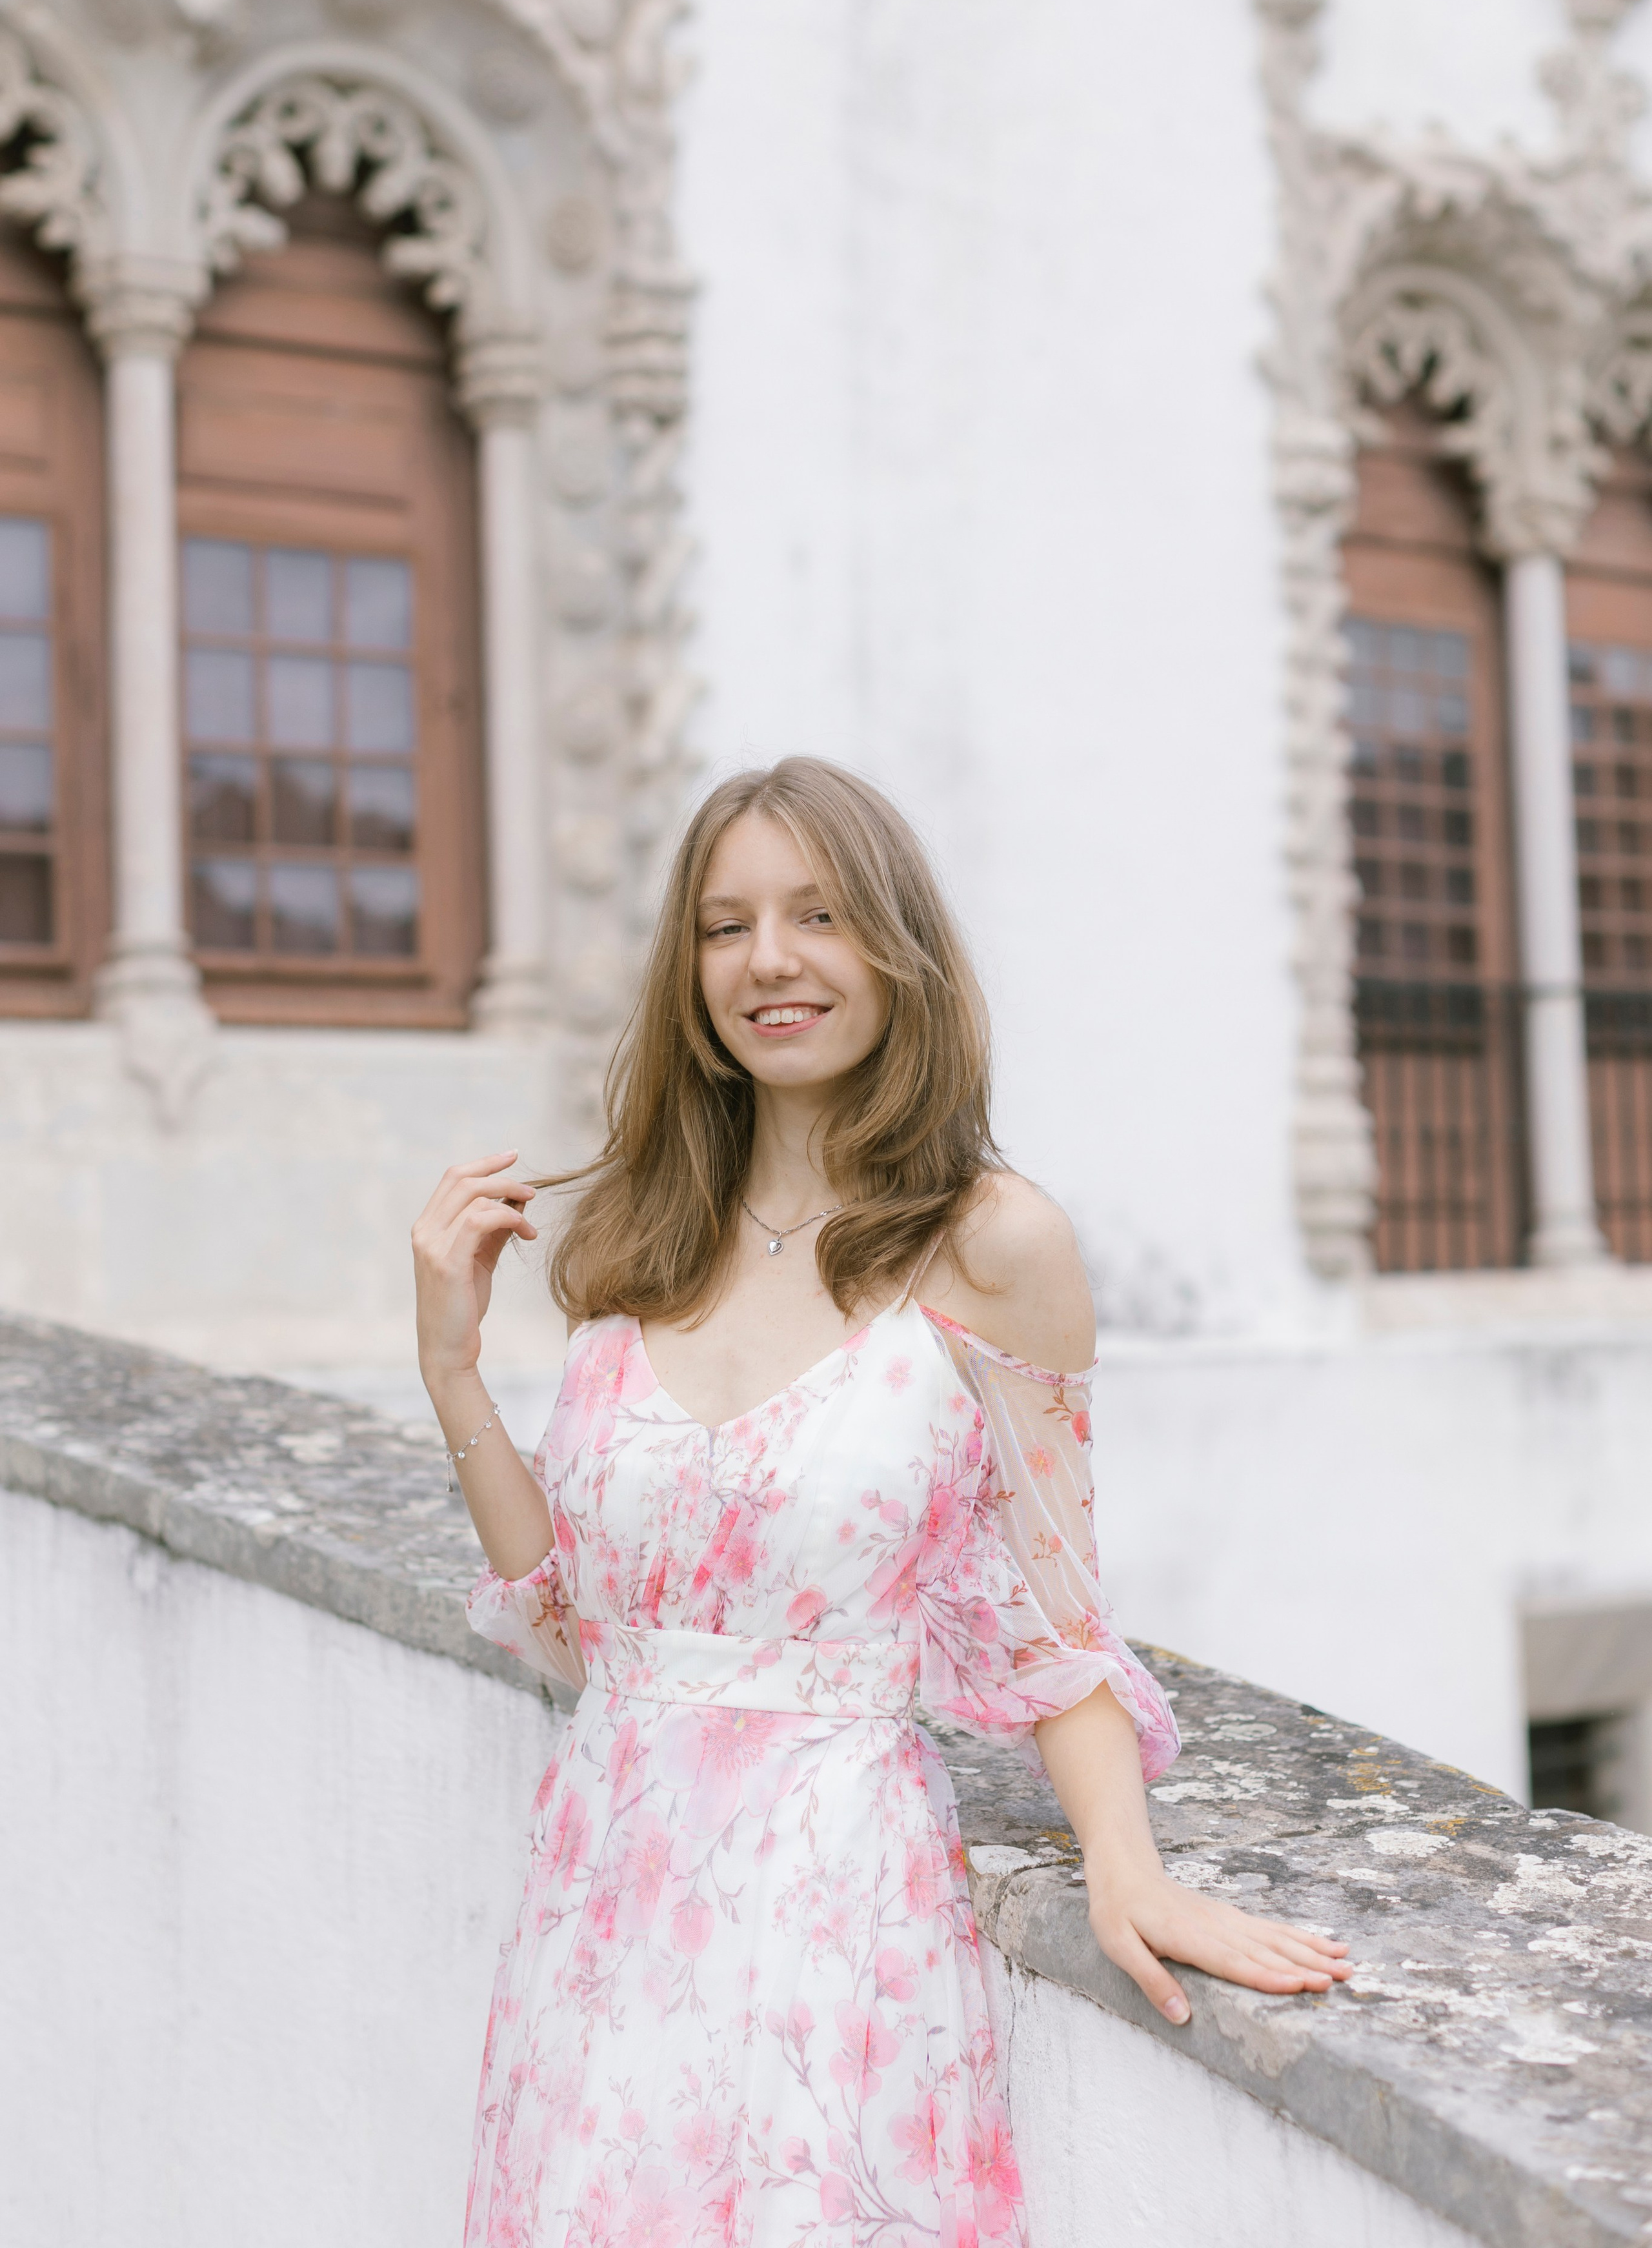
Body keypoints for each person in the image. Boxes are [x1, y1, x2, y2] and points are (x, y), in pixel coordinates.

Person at [412, 756, 1348, 2245]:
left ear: (895, 948)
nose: (767, 961)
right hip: (600, 1918)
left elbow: (1054, 1618)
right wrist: (452, 1368)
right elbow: (577, 1626)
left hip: (833, 1915)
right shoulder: (645, 1235)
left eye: (818, 915)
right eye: (724, 926)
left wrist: (1127, 1869)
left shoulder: (993, 1244)